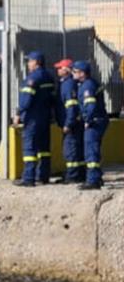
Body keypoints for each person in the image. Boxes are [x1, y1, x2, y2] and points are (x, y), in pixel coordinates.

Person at [13, 51, 55, 187]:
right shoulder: (49, 76)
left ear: (36, 62)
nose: (28, 64)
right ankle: (43, 176)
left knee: (30, 148)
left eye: (29, 61)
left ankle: (29, 178)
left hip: (33, 117)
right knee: (44, 148)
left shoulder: (32, 78)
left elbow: (26, 100)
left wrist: (18, 113)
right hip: (45, 116)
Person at [74, 61, 108, 190]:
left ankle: (93, 180)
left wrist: (87, 120)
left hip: (94, 121)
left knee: (91, 150)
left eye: (75, 71)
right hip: (98, 120)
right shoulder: (88, 83)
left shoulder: (87, 86)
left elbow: (91, 105)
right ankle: (96, 177)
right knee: (94, 149)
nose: (73, 73)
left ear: (82, 73)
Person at [53, 59, 84, 184]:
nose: (58, 70)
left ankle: (72, 176)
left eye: (60, 68)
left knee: (70, 150)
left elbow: (71, 106)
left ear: (67, 70)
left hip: (71, 123)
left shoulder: (68, 84)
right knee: (76, 149)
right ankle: (80, 173)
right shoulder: (66, 83)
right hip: (72, 122)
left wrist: (68, 123)